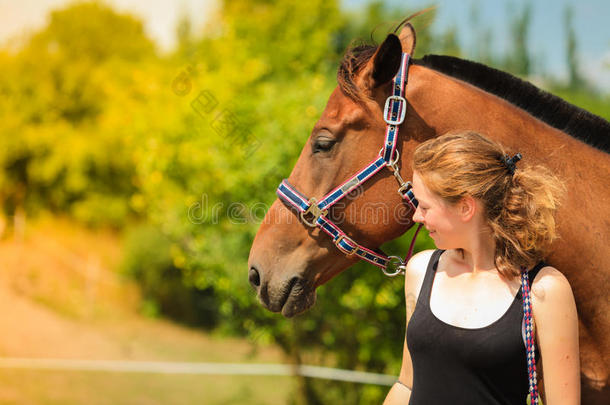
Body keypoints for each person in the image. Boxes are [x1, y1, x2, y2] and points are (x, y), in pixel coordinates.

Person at [383, 132, 580, 405]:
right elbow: (406, 384)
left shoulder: (544, 289)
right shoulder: (421, 269)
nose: (417, 216)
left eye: (425, 206)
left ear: (465, 207)